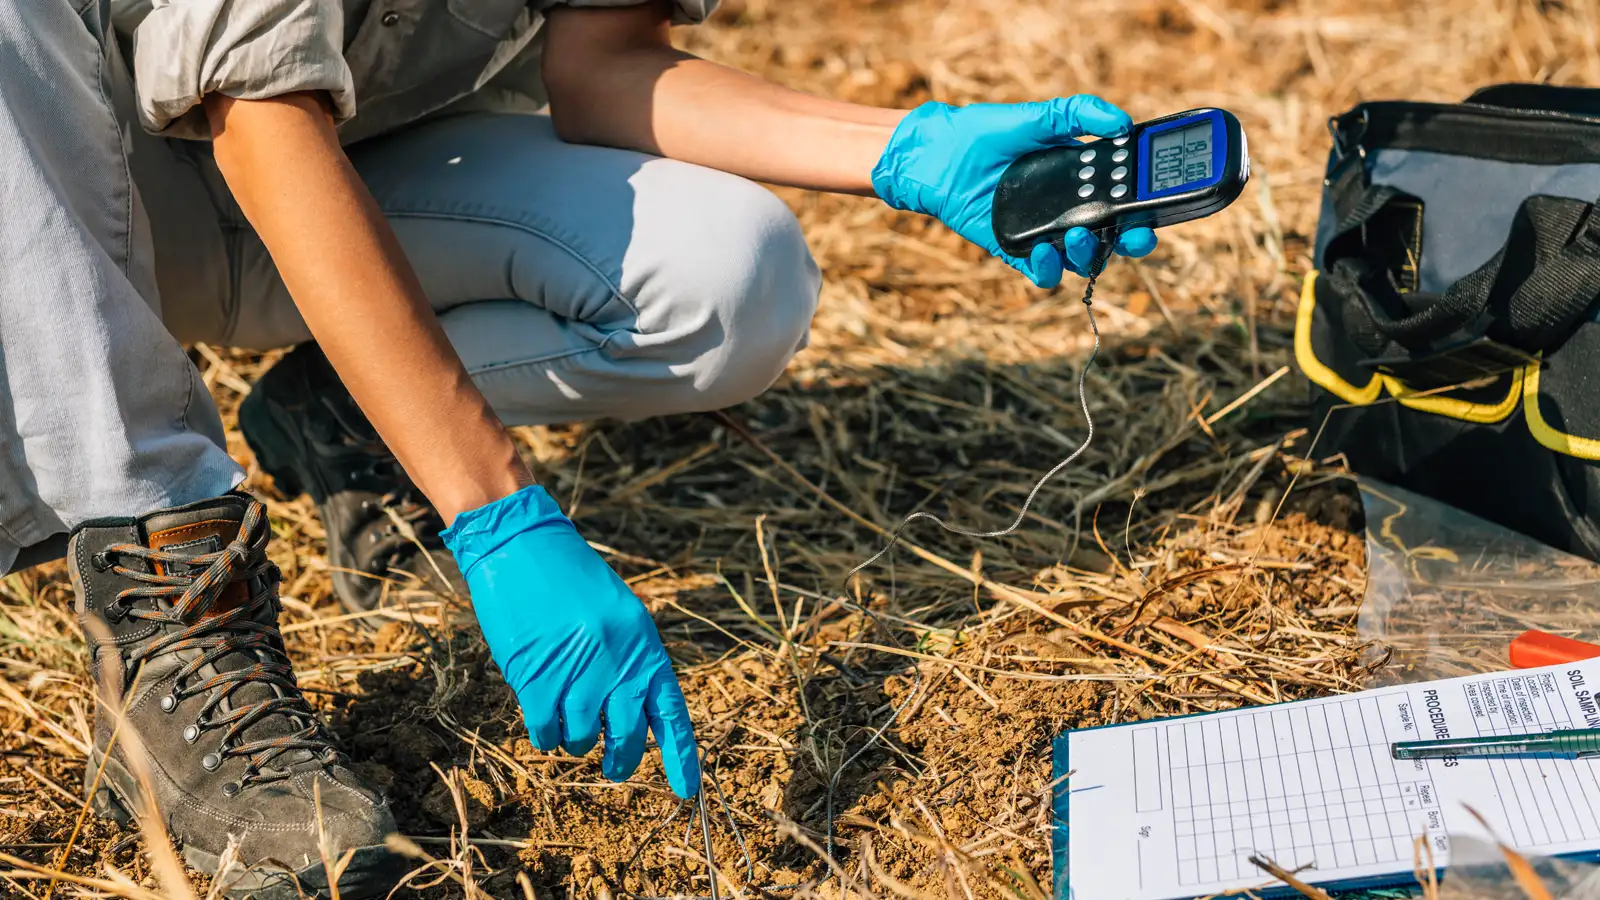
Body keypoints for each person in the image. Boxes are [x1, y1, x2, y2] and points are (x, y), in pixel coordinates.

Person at [0, 0, 1157, 895]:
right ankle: (168, 616)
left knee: (732, 277)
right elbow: (260, 120)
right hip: (100, 197)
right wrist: (497, 509)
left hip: (360, 173)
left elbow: (607, 66)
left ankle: (354, 405)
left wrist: (905, 147)